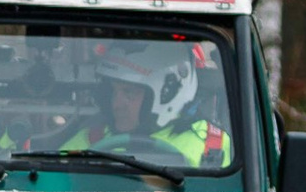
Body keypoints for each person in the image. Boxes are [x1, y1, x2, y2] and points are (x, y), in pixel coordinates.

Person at [60, 43, 230, 168]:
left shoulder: (212, 146)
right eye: (113, 91)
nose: (116, 104)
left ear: (168, 94)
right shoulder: (91, 140)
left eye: (129, 93)